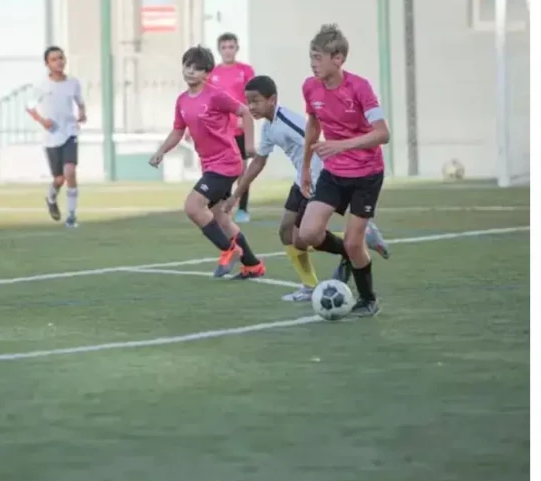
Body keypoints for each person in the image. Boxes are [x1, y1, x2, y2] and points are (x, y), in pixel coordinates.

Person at [225, 74, 390, 302]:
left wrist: (317, 174)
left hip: (317, 177)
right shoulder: (268, 128)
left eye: (256, 101)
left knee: (302, 238)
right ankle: (311, 284)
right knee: (285, 231)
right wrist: (236, 195)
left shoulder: (288, 120)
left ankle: (358, 241)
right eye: (248, 101)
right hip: (301, 178)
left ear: (272, 100)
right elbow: (258, 162)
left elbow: (314, 139)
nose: (251, 106)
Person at [295, 24, 390, 317]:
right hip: (334, 173)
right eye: (311, 57)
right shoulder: (310, 87)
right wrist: (307, 167)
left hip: (367, 174)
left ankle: (368, 299)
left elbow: (382, 134)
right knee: (308, 233)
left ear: (337, 59)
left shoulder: (360, 88)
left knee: (353, 241)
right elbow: (313, 123)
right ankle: (350, 254)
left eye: (318, 57)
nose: (313, 63)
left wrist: (341, 146)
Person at [149, 45, 265, 279]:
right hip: (210, 165)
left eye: (197, 68)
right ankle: (252, 265)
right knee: (221, 219)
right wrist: (161, 151)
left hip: (227, 163)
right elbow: (178, 131)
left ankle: (229, 250)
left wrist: (250, 146)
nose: (190, 71)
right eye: (187, 66)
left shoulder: (215, 95)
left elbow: (244, 112)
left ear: (207, 73)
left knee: (193, 207)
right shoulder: (182, 101)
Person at [26, 46, 86, 228]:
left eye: (61, 58)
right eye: (54, 59)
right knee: (59, 179)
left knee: (70, 172)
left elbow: (79, 102)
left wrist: (82, 113)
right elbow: (30, 106)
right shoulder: (41, 85)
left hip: (70, 132)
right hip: (52, 136)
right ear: (47, 64)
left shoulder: (73, 83)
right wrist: (42, 121)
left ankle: (72, 216)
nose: (59, 62)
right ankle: (51, 197)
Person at [212, 32, 256, 224]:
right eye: (224, 47)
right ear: (219, 50)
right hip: (220, 130)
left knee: (241, 171)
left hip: (239, 127)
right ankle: (224, 207)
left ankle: (243, 209)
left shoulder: (245, 70)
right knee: (223, 170)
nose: (228, 51)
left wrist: (246, 117)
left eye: (231, 47)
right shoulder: (212, 73)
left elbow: (254, 97)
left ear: (236, 49)